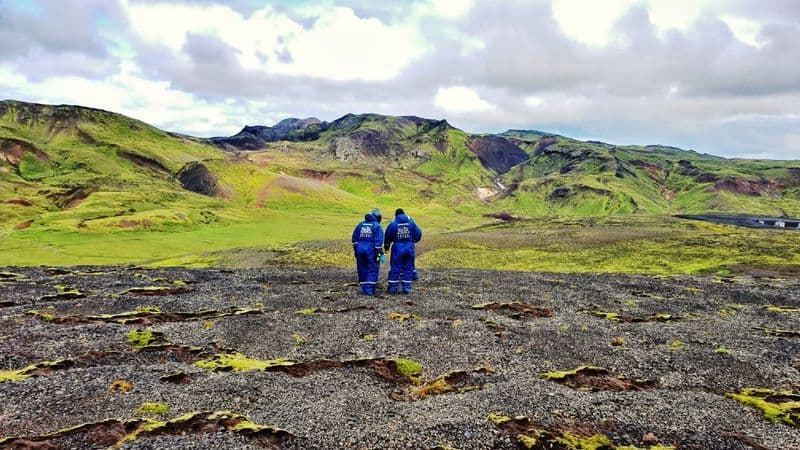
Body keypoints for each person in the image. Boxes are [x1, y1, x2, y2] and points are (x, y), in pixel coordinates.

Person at [384, 208, 422, 294]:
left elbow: (387, 237)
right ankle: (406, 288)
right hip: (409, 247)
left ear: (396, 215)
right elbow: (419, 234)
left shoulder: (393, 225)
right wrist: (413, 241)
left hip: (397, 248)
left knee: (395, 267)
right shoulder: (411, 223)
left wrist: (386, 247)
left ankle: (393, 288)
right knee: (408, 267)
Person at [351, 211, 384, 295]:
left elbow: (354, 239)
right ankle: (369, 291)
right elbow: (378, 241)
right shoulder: (377, 226)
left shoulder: (360, 225)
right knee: (372, 269)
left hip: (360, 249)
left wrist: (356, 250)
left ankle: (364, 289)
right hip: (371, 250)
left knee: (362, 268)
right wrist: (379, 252)